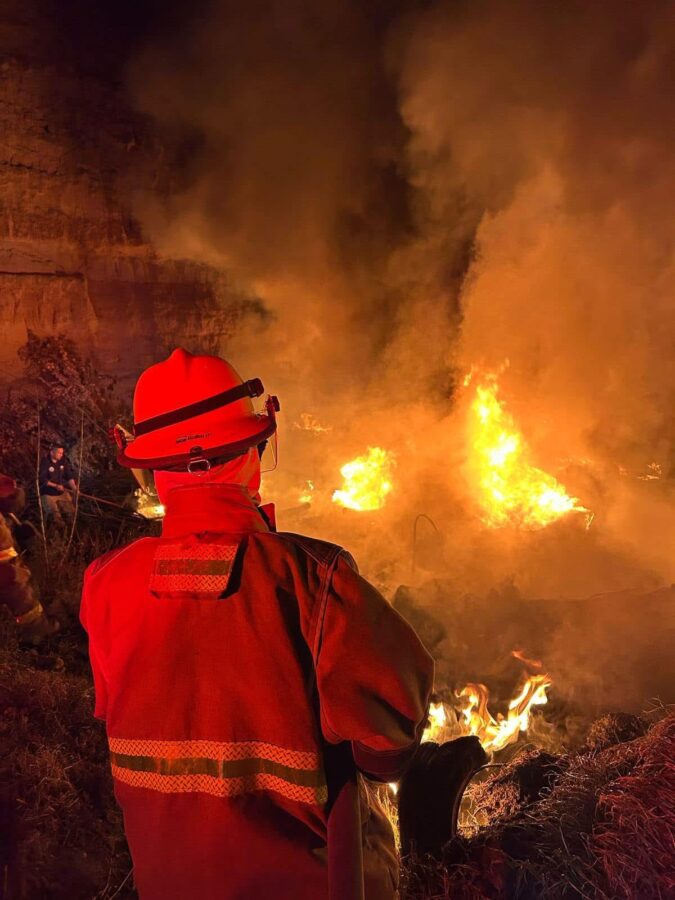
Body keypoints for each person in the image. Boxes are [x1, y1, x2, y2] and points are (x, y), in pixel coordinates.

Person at [80, 348, 434, 900]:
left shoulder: (105, 583)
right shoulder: (316, 580)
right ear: (248, 451)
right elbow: (388, 747)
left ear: (151, 472)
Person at [0, 474, 59, 644]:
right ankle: (38, 634)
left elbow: (12, 498)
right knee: (18, 593)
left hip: (8, 561)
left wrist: (13, 492)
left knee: (22, 587)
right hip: (6, 571)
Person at [38, 444, 78, 526]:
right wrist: (55, 486)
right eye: (59, 453)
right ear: (52, 453)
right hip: (48, 494)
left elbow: (69, 475)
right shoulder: (45, 462)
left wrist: (74, 488)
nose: (61, 455)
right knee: (55, 517)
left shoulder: (63, 460)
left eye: (62, 453)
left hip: (61, 492)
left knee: (72, 514)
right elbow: (42, 479)